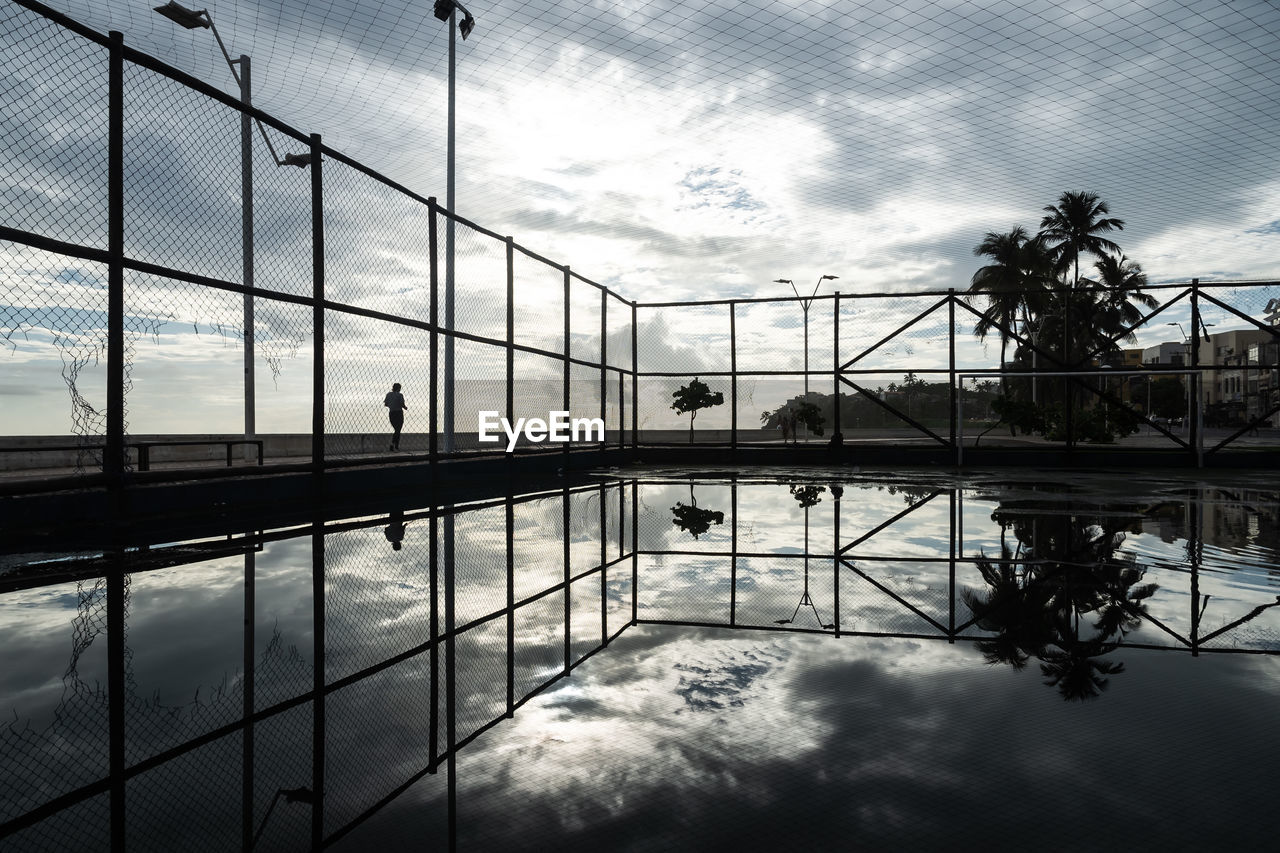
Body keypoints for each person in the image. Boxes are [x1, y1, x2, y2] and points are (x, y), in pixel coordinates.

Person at [384, 383, 407, 450]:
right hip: (399, 413)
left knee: (396, 429)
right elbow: (402, 404)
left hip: (391, 413)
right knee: (398, 429)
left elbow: (386, 404)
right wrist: (405, 407)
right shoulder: (400, 395)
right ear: (399, 388)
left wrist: (392, 405)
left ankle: (394, 445)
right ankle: (394, 445)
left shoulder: (388, 394)